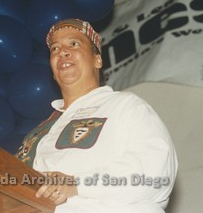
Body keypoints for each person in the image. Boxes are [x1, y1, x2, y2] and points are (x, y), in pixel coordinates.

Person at [16, 18, 178, 212]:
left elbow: (156, 174)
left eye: (74, 44)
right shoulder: (39, 135)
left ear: (97, 59)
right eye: (55, 49)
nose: (62, 52)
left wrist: (77, 184)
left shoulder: (123, 105)